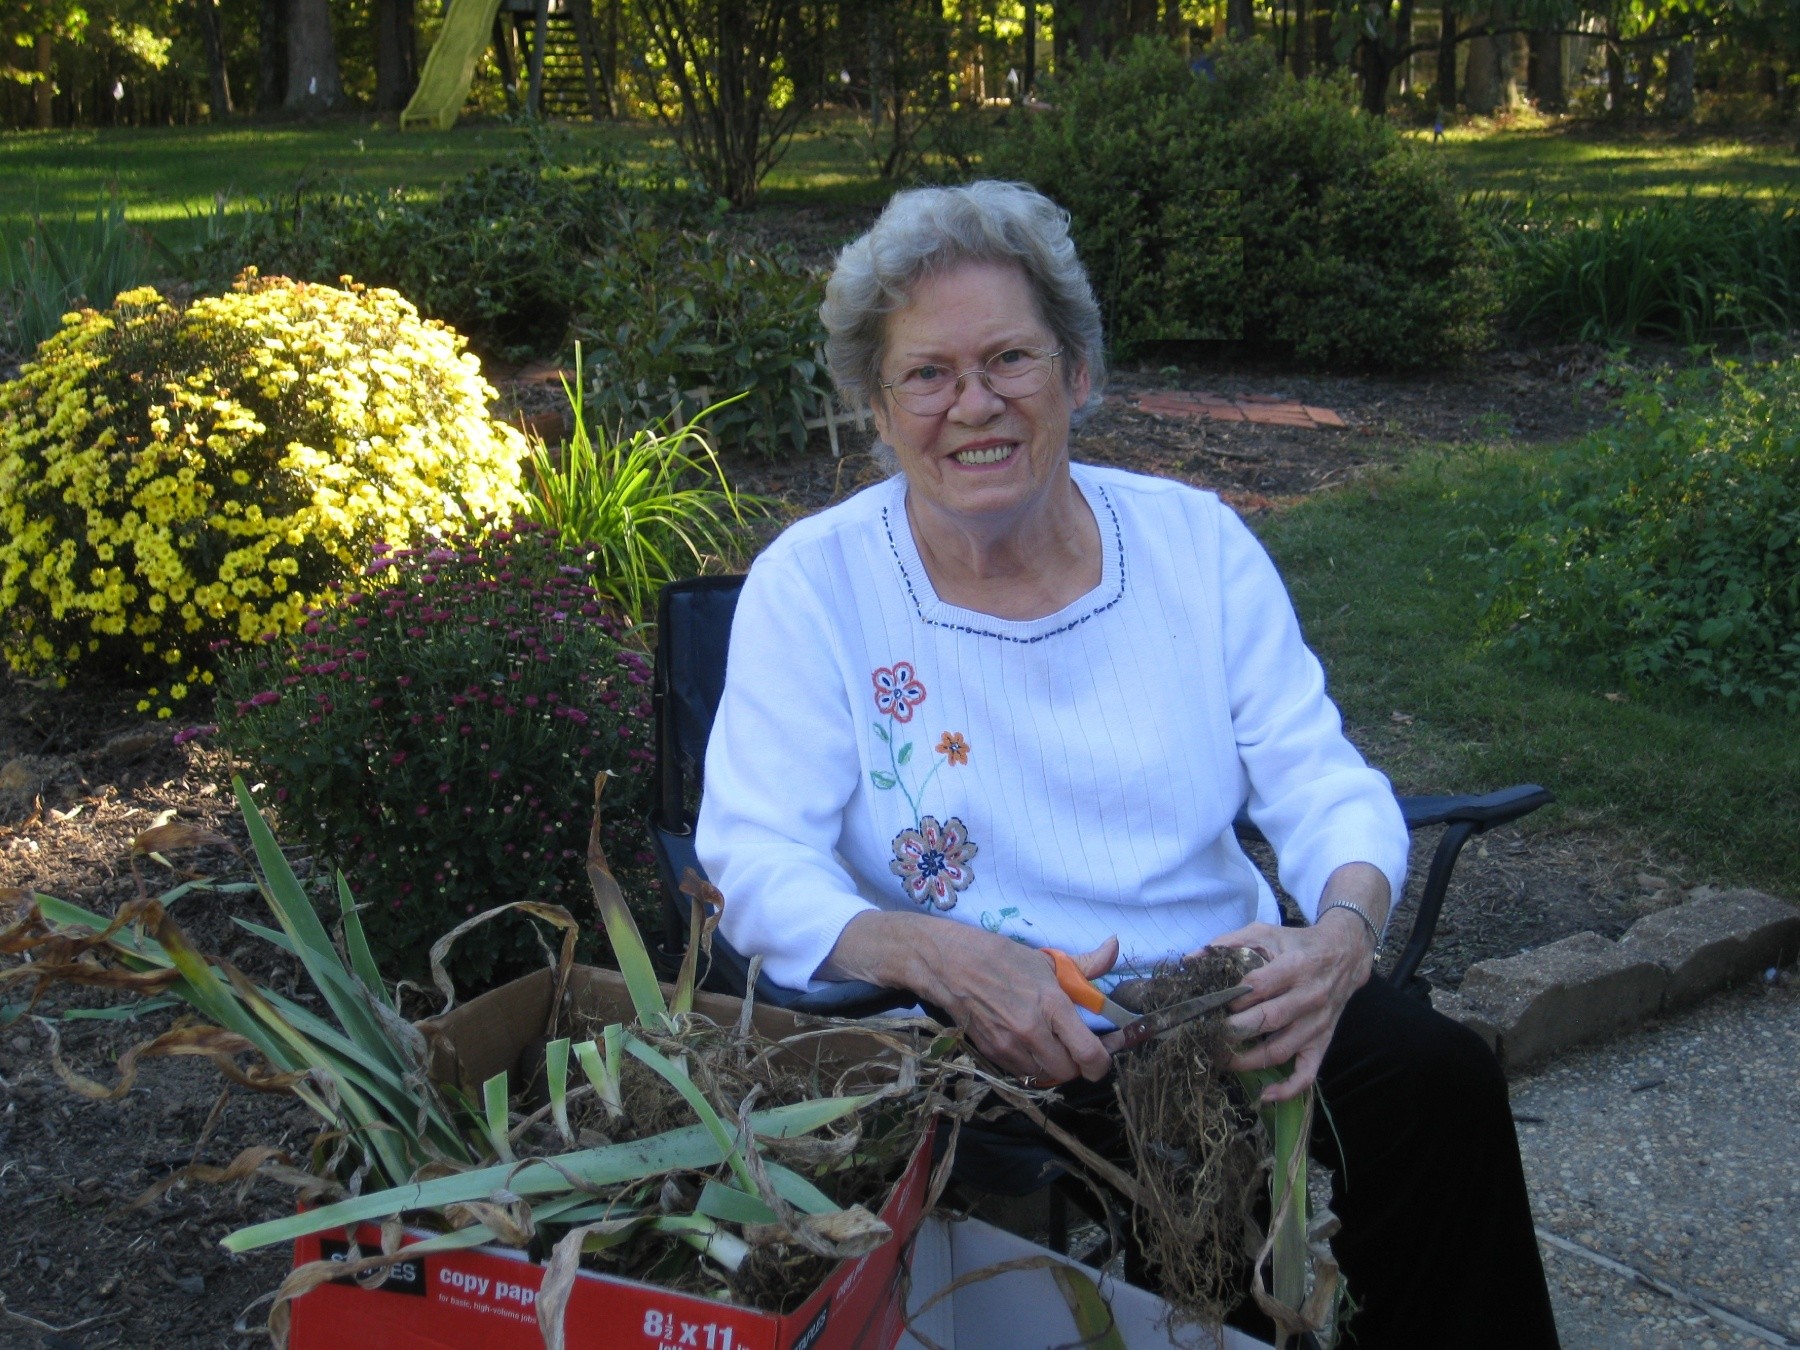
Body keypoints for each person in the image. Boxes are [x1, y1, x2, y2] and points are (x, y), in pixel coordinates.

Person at [697, 181, 1558, 1346]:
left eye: (1011, 358)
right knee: (1189, 1198)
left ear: (1079, 374)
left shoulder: (1192, 541)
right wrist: (942, 957)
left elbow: (1322, 779)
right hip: (1000, 1041)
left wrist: (1341, 938)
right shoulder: (817, 585)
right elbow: (752, 855)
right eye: (928, 374)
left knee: (1436, 1086)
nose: (975, 405)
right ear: (877, 409)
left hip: (1233, 992)